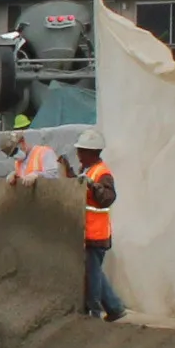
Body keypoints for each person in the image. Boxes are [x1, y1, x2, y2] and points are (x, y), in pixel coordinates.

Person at [74, 135, 127, 322]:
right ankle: (115, 308)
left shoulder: (102, 173)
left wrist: (93, 186)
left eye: (81, 151)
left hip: (96, 233)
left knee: (93, 275)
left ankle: (94, 313)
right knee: (93, 271)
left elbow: (107, 198)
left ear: (91, 153)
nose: (78, 154)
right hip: (87, 232)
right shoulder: (87, 170)